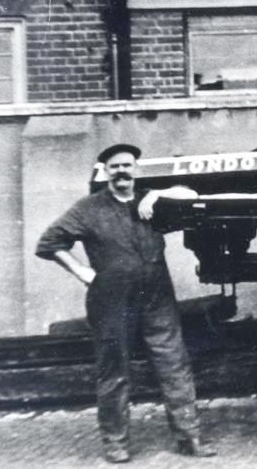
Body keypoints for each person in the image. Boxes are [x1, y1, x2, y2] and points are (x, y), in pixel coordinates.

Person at [35, 143, 216, 463]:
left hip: (157, 296)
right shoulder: (88, 209)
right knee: (114, 370)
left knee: (174, 363)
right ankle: (116, 443)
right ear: (105, 172)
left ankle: (189, 438)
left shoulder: (152, 200)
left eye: (127, 165)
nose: (121, 171)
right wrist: (81, 271)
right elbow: (49, 242)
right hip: (111, 299)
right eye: (114, 166)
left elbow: (190, 193)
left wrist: (156, 195)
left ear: (136, 168)